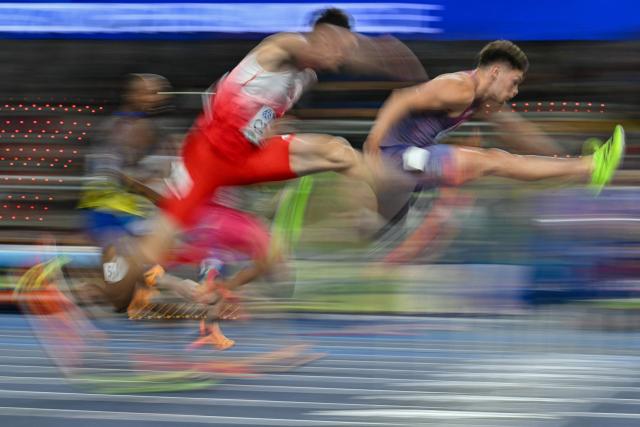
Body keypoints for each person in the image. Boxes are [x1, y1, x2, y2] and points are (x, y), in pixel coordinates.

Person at [364, 40, 625, 236]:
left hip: (409, 159)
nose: (515, 91)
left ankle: (582, 167)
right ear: (496, 72)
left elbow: (518, 131)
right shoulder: (459, 88)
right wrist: (372, 145)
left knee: (491, 163)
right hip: (393, 157)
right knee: (492, 161)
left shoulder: (481, 100)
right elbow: (402, 98)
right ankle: (587, 167)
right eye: (514, 82)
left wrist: (559, 157)